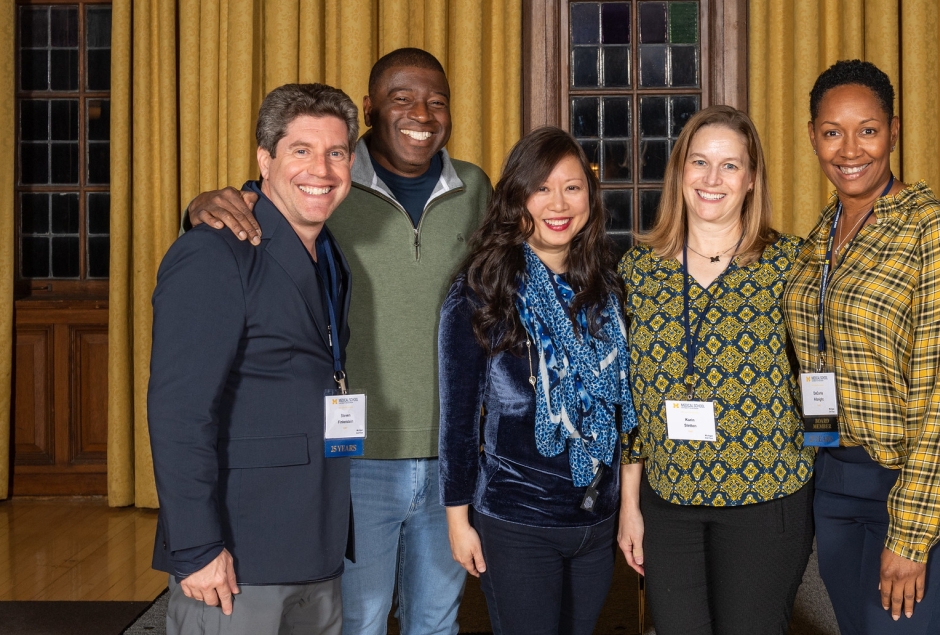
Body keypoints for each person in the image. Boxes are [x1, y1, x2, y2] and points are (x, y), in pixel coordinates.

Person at [184, 49, 491, 635]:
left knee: (437, 620)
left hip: (453, 454)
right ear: (371, 108)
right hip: (355, 456)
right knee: (360, 619)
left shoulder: (473, 187)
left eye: (436, 101)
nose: (421, 112)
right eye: (401, 98)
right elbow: (250, 214)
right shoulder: (329, 185)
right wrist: (200, 206)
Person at [782, 59, 940, 635]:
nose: (850, 148)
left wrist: (911, 535)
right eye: (832, 131)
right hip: (838, 474)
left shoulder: (935, 232)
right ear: (813, 137)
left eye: (868, 130)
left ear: (894, 131)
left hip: (927, 475)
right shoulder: (818, 239)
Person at [149, 83, 358, 634]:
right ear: (264, 160)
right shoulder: (212, 251)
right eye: (301, 151)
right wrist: (196, 547)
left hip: (316, 543)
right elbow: (178, 412)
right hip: (238, 553)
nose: (322, 169)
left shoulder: (331, 254)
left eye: (336, 153)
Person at [616, 105, 816, 635]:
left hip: (765, 498)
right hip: (668, 502)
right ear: (680, 171)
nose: (712, 179)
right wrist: (629, 506)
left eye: (730, 166)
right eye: (699, 162)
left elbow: (848, 330)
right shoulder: (638, 270)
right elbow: (629, 401)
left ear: (751, 179)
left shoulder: (790, 263)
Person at [438, 127, 637, 635]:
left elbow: (622, 405)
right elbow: (458, 421)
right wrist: (458, 522)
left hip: (594, 519)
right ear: (516, 197)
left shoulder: (606, 286)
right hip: (517, 518)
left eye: (572, 187)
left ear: (589, 197)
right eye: (541, 188)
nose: (558, 203)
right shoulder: (480, 292)